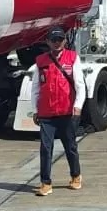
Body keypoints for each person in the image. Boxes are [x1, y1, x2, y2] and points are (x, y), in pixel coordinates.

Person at [32, 27, 85, 195]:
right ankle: (45, 183)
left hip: (66, 111)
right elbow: (35, 88)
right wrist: (35, 110)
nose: (57, 43)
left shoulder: (72, 58)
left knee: (70, 146)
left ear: (64, 41)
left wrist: (78, 105)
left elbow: (80, 85)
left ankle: (76, 175)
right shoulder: (40, 61)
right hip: (47, 113)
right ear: (47, 42)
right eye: (53, 40)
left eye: (60, 39)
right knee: (45, 148)